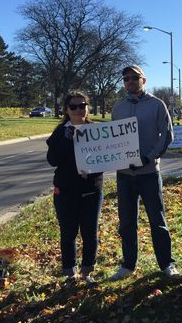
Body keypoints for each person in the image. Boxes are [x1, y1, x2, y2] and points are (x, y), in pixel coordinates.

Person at [109, 65, 178, 281]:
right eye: (126, 78)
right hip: (125, 175)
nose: (130, 81)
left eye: (134, 77)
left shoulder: (157, 105)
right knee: (127, 222)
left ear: (143, 80)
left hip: (148, 172)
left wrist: (150, 157)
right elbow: (112, 139)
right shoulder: (117, 108)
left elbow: (166, 135)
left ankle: (167, 264)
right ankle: (128, 265)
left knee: (157, 220)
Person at [46, 92, 104, 285]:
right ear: (67, 110)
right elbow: (53, 159)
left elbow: (106, 159)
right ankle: (70, 274)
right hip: (65, 191)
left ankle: (87, 271)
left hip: (91, 191)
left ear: (88, 107)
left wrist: (93, 172)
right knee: (68, 233)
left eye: (82, 105)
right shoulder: (60, 132)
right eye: (74, 107)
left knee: (90, 232)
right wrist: (67, 140)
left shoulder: (96, 131)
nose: (79, 109)